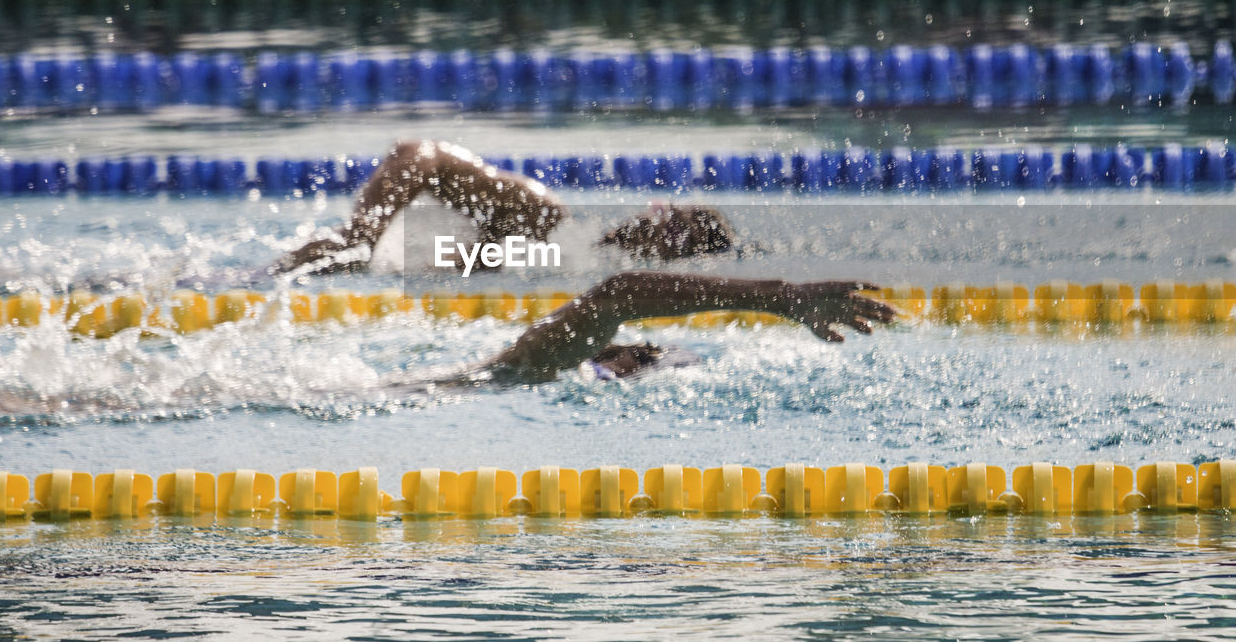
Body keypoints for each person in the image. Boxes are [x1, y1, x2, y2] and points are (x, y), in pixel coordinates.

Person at [275, 139, 738, 275]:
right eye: (674, 226)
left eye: (681, 245)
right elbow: (421, 153)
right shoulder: (544, 214)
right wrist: (366, 233)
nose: (664, 238)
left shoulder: (566, 263)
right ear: (658, 210)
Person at [472, 270, 895, 383]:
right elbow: (617, 294)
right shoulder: (529, 363)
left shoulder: (529, 365)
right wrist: (776, 297)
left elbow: (616, 295)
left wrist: (776, 297)